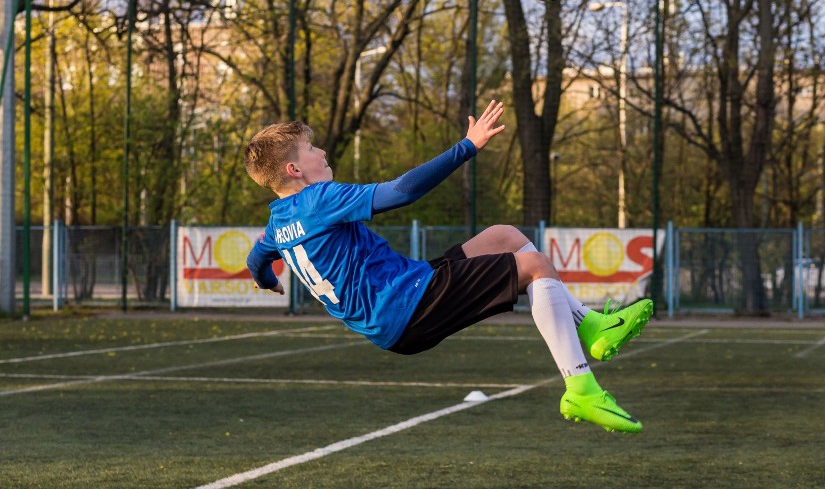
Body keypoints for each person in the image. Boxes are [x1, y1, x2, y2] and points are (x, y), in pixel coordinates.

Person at [244, 100, 653, 434]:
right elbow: (402, 191)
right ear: (294, 170)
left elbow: (257, 260)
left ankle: (592, 326)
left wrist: (269, 282)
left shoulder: (278, 223)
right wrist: (467, 146)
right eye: (312, 150)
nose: (322, 152)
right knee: (534, 265)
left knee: (505, 236)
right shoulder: (319, 200)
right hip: (407, 307)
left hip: (404, 297)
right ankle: (580, 386)